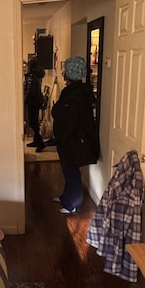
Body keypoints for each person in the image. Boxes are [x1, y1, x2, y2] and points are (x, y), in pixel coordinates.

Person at [51, 56, 99, 214]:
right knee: (67, 169)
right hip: (69, 138)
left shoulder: (75, 95)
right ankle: (66, 197)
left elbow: (69, 119)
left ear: (69, 74)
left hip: (71, 140)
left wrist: (62, 138)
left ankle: (73, 204)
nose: (64, 75)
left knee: (72, 171)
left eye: (65, 72)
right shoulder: (74, 91)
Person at [23, 56, 46, 152]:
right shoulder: (37, 74)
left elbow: (30, 91)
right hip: (37, 101)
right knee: (34, 121)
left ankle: (40, 142)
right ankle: (36, 141)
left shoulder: (31, 76)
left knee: (33, 122)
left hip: (33, 101)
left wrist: (24, 101)